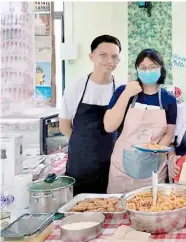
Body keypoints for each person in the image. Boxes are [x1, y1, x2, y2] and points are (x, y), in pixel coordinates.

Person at [104, 49, 177, 193]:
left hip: (154, 164)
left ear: (161, 69)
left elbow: (169, 134)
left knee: (151, 208)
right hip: (122, 164)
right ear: (137, 69)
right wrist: (127, 94)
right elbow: (109, 126)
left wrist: (152, 151)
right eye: (143, 68)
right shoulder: (123, 91)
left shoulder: (168, 99)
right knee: (118, 208)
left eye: (153, 67)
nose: (148, 71)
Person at [59, 35, 121, 195]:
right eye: (103, 55)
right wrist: (84, 146)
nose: (110, 60)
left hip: (114, 162)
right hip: (81, 163)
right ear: (91, 56)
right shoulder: (75, 88)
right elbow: (64, 126)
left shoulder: (121, 89)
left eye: (115, 57)